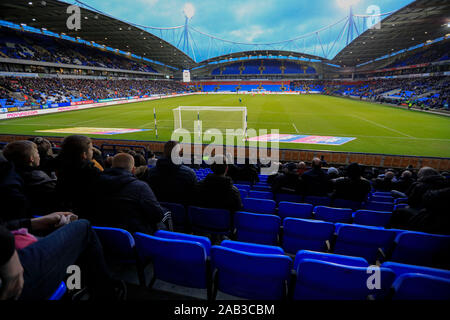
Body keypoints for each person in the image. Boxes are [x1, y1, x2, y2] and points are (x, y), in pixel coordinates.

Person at [0, 217, 127, 300]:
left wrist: (31, 223)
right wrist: (6, 251)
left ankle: (77, 285)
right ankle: (107, 295)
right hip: (11, 275)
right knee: (84, 227)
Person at [94, 153, 171, 234]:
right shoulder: (140, 187)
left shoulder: (95, 181)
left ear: (111, 166)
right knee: (166, 214)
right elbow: (157, 215)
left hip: (103, 234)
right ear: (133, 170)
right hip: (134, 237)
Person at [2, 141, 57, 215]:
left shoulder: (8, 174)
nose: (39, 155)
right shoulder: (38, 177)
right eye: (37, 153)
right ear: (31, 159)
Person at [55, 135, 102, 217]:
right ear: (84, 155)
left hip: (62, 212)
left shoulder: (59, 167)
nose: (93, 151)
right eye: (91, 149)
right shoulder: (93, 171)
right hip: (86, 214)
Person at [140, 141, 197, 205]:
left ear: (164, 152)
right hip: (181, 212)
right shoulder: (189, 174)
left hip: (157, 210)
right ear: (179, 153)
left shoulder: (150, 172)